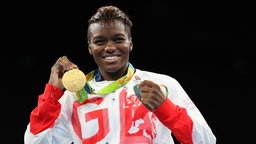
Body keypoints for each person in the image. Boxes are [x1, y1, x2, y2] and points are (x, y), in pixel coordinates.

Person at [24, 5, 216, 144]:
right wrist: (52, 94)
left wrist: (166, 108)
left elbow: (206, 141)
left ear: (130, 43)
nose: (109, 47)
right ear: (90, 48)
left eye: (118, 39)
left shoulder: (161, 85)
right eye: (100, 41)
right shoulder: (73, 96)